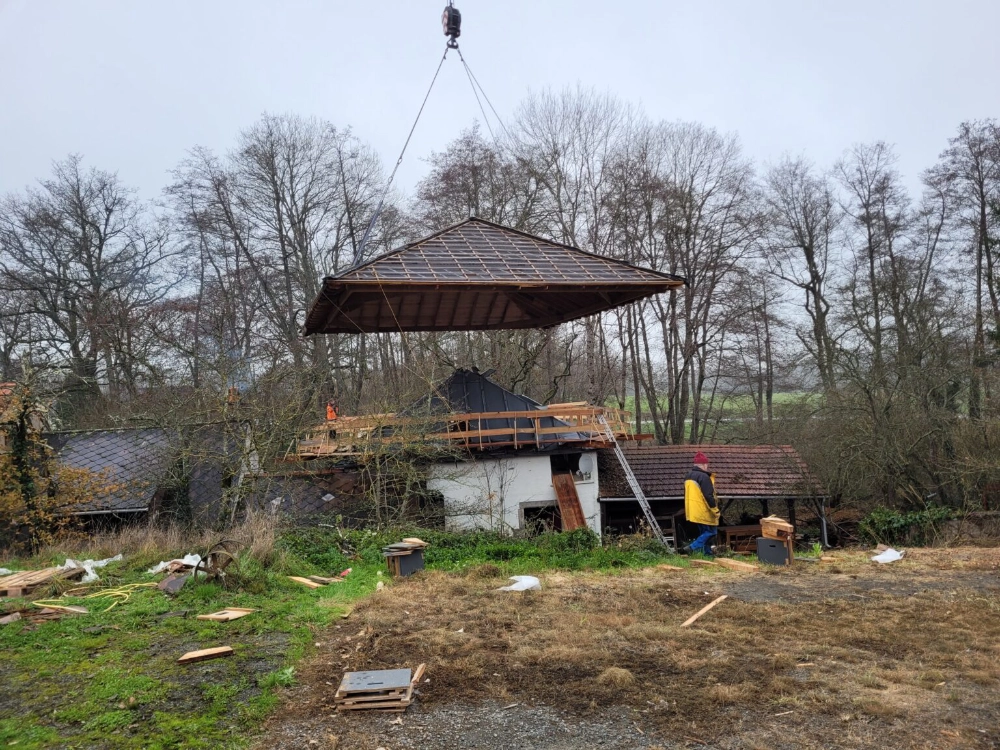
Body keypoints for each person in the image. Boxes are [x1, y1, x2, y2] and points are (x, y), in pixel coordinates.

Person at [683, 451, 720, 557]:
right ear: (704, 464)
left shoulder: (688, 476)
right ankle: (692, 547)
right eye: (707, 465)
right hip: (704, 510)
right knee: (711, 532)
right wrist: (715, 510)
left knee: (704, 533)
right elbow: (708, 496)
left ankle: (707, 555)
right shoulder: (704, 477)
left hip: (693, 511)